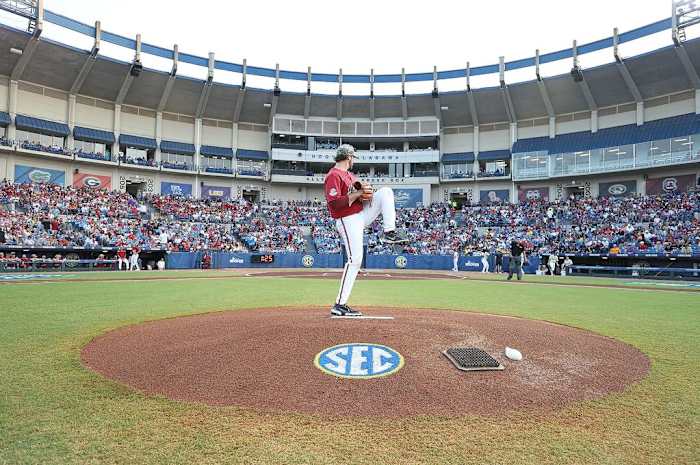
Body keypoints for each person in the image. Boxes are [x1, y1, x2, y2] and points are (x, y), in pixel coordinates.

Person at [324, 144, 409, 316]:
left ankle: (389, 232)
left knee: (385, 192)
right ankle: (339, 304)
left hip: (359, 214)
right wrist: (358, 194)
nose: (353, 160)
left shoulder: (349, 175)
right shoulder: (333, 175)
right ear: (348, 157)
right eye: (353, 157)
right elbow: (334, 203)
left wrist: (365, 193)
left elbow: (359, 195)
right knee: (355, 260)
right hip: (346, 219)